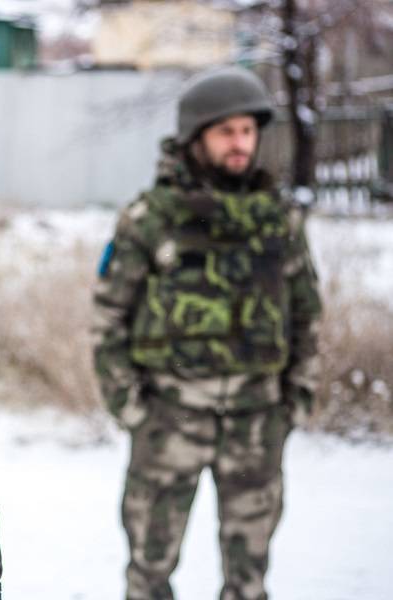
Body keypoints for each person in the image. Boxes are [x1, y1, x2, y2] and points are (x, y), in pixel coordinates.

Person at [92, 66, 322, 600]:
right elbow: (108, 319)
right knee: (148, 573)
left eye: (248, 131)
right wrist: (131, 408)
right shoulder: (150, 219)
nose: (240, 143)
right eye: (227, 131)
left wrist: (295, 402)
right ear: (196, 137)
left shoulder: (280, 221)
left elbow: (307, 315)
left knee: (249, 580)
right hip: (169, 420)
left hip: (257, 423)